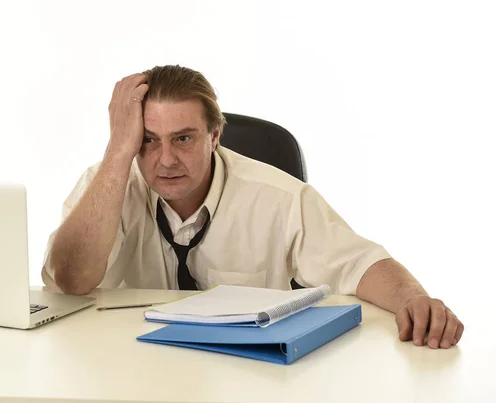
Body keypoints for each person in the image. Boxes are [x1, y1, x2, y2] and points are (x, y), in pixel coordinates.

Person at [41, 65, 463, 349]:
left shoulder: (279, 196)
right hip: (125, 368)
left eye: (184, 138)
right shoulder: (108, 181)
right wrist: (119, 151)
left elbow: (361, 263)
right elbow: (70, 280)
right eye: (148, 139)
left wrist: (415, 300)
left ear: (215, 136)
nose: (165, 159)